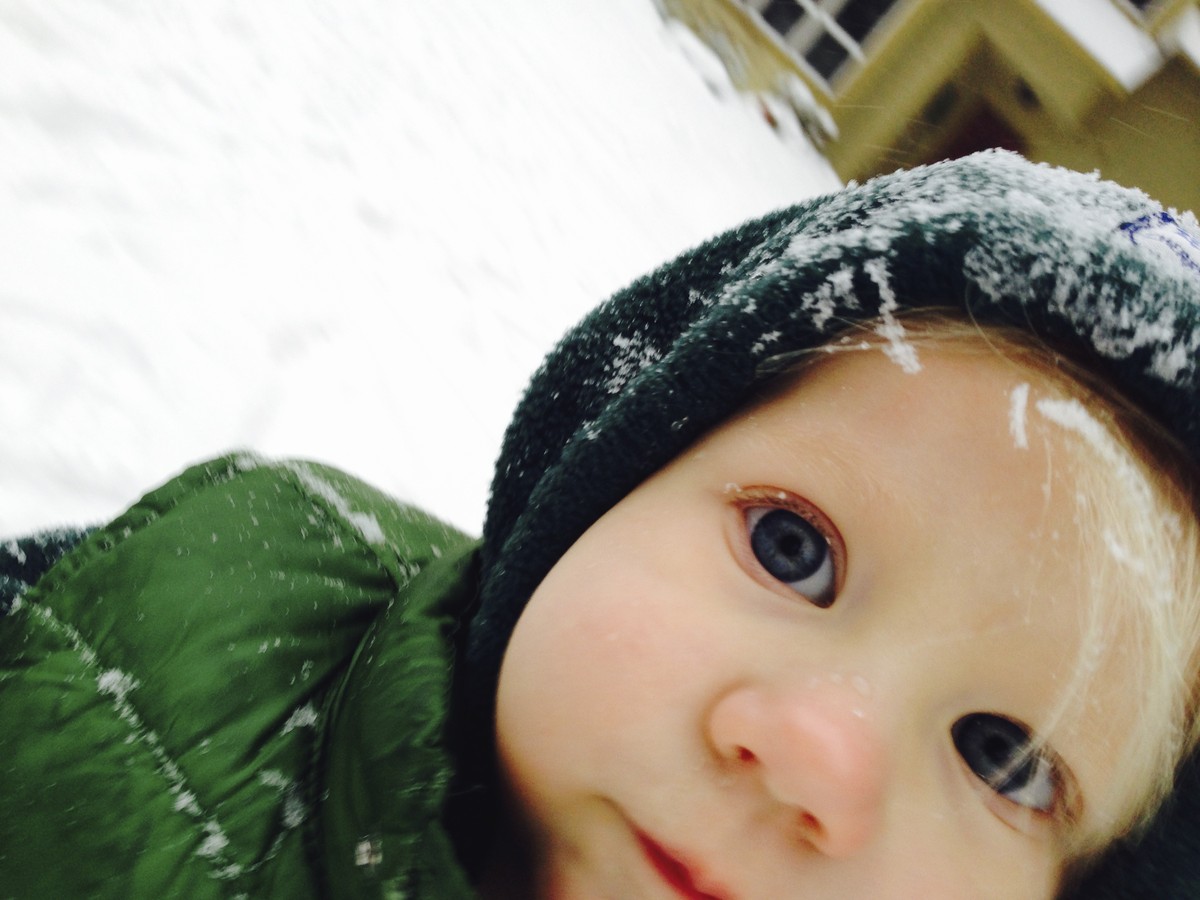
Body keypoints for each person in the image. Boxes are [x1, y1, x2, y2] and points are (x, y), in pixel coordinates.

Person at [3, 149, 1200, 898]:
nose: (814, 755)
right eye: (794, 549)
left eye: (1004, 756)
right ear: (607, 471)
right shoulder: (216, 614)